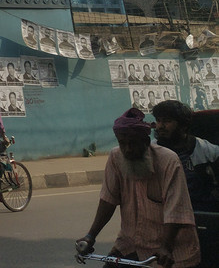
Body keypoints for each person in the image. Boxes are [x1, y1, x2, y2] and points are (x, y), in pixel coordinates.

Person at [76, 107, 199, 268]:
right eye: (122, 144)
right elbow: (108, 200)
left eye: (133, 144)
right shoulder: (115, 157)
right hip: (130, 244)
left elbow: (175, 211)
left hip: (170, 249)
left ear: (146, 142)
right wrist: (90, 236)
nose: (128, 149)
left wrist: (166, 247)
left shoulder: (168, 161)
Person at [153, 99, 219, 212]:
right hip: (166, 213)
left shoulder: (203, 148)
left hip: (202, 213)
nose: (160, 126)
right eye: (158, 121)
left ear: (183, 125)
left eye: (166, 121)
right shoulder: (151, 150)